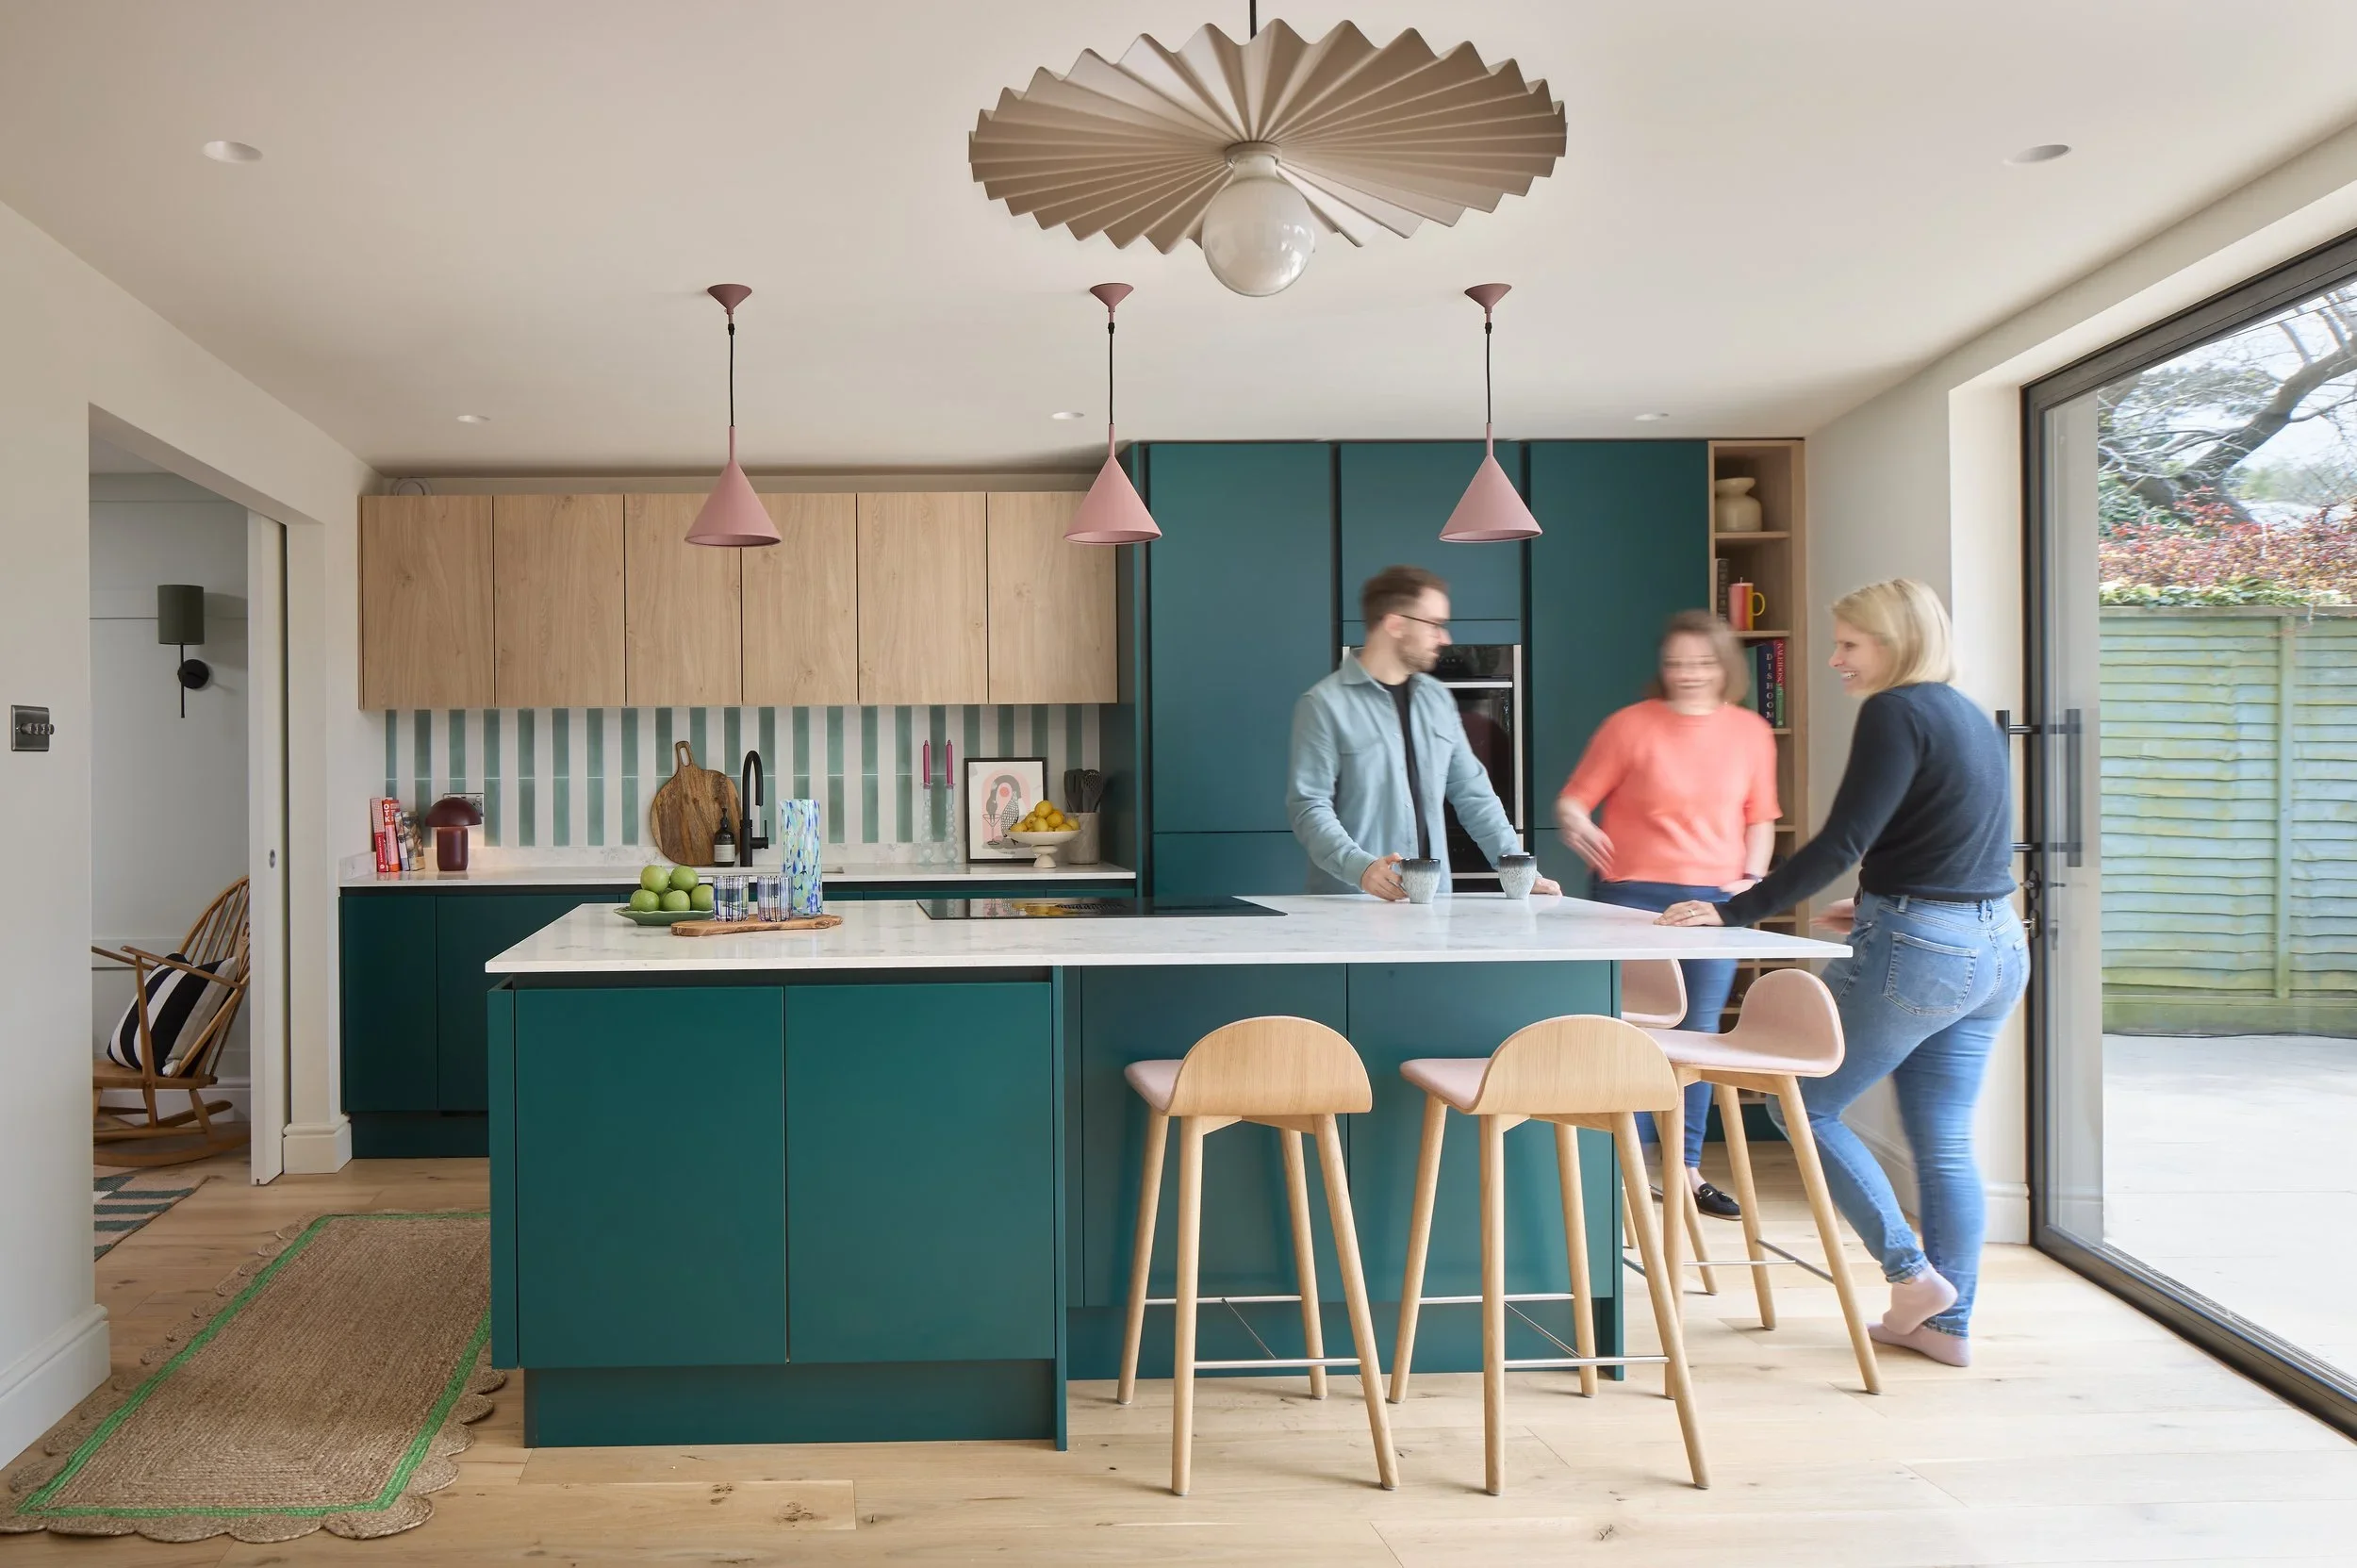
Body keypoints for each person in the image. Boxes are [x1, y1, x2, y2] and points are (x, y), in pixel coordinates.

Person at [1658, 579, 2026, 1368]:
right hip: (1997, 944)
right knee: (1943, 1139)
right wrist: (1875, 899)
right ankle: (1946, 1327)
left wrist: (1734, 912)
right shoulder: (1966, 713)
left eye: (1850, 644)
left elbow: (1842, 840)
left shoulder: (1895, 710)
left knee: (1803, 1103)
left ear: (1895, 642)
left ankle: (1911, 1274)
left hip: (1926, 950)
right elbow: (1958, 834)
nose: (1835, 659)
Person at [1558, 610, 1778, 1221]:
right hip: (1631, 899)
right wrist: (1576, 823)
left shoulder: (1750, 732)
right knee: (1629, 1034)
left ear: (1725, 666)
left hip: (1713, 903)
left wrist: (1751, 881)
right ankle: (1622, 1170)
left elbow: (1760, 817)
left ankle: (1685, 1170)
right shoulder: (1629, 726)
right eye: (1677, 663)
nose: (1688, 674)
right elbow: (1574, 800)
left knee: (1697, 1038)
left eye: (1702, 663)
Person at [1289, 565, 1559, 900]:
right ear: (1395, 623)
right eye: (1434, 624)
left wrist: (1519, 870)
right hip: (1352, 903)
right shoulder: (1323, 704)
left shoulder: (1437, 700)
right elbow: (1309, 807)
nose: (1445, 639)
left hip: (1431, 904)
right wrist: (1361, 868)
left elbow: (1473, 792)